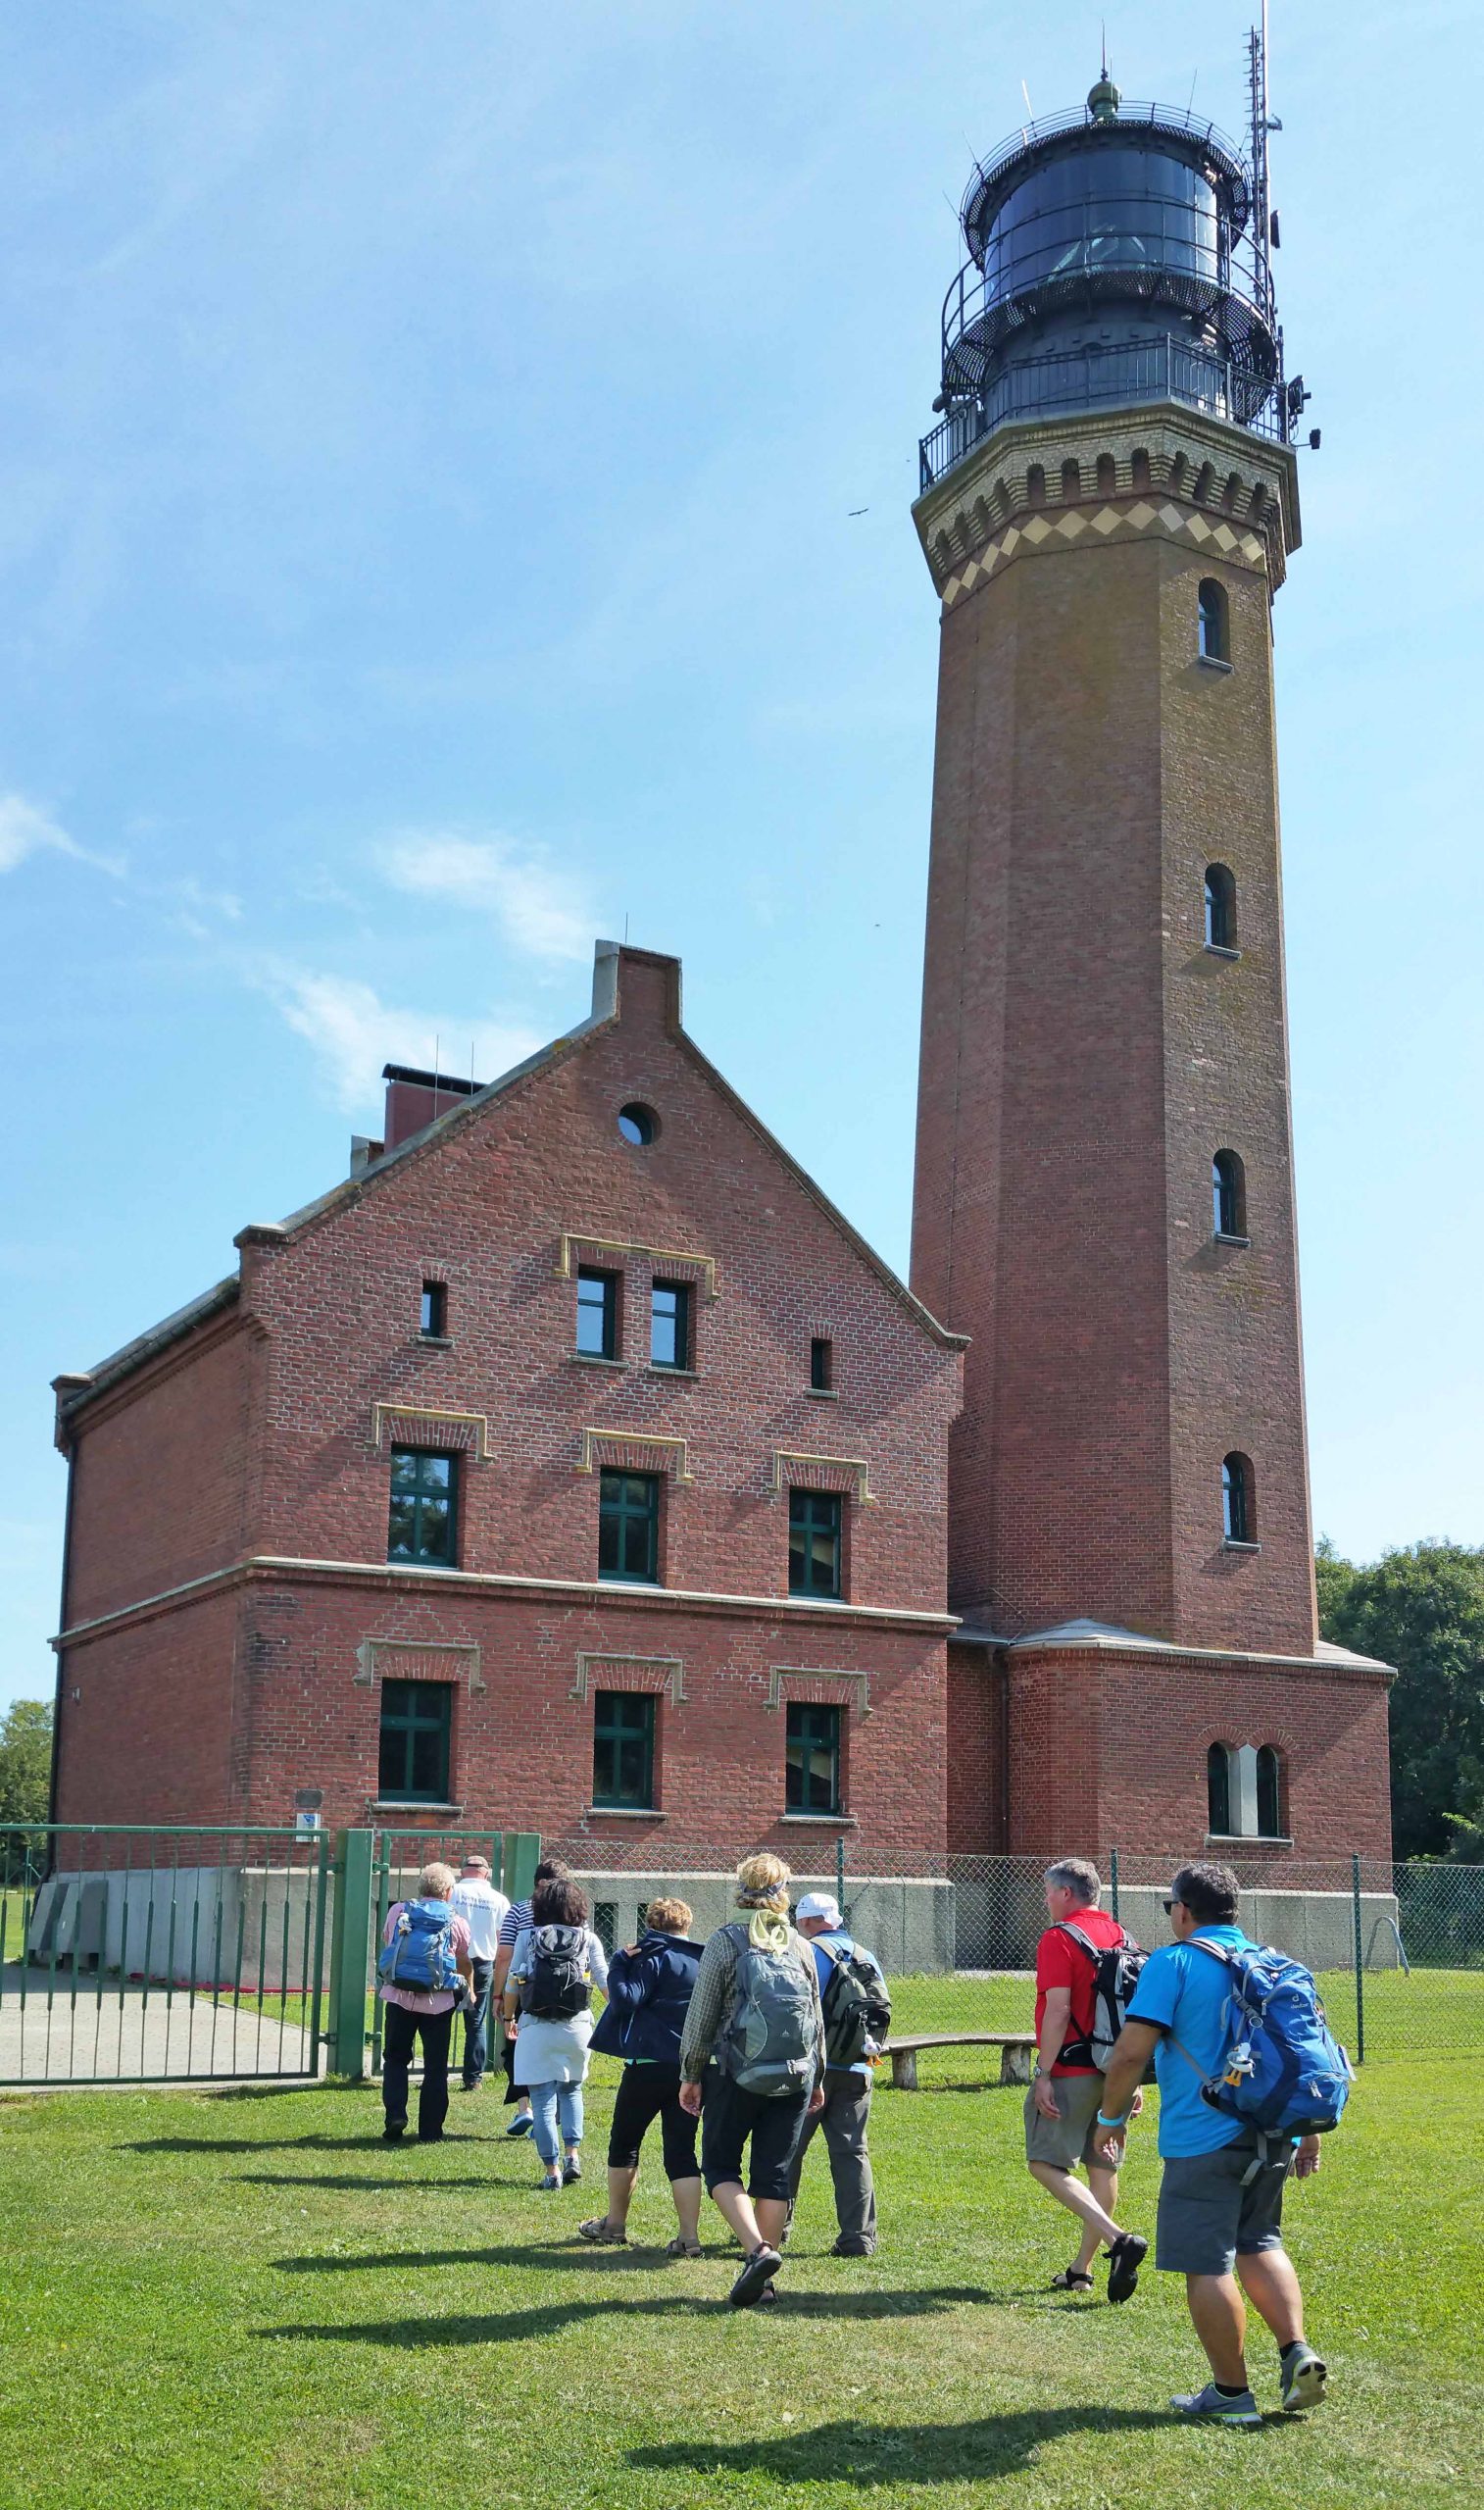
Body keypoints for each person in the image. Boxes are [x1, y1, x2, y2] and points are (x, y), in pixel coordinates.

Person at [1093, 1861, 1329, 2426]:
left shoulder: (1173, 1962)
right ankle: (1296, 2351)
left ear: (1182, 1910)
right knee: (1261, 2241)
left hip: (1203, 2138)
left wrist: (1110, 2117)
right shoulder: (1272, 1961)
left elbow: (1129, 2053)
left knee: (1207, 2263)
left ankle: (1230, 2394)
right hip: (1272, 2132)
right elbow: (1299, 2053)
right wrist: (1304, 2133)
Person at [678, 1852, 825, 2308]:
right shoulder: (800, 1945)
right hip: (795, 2076)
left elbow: (701, 2016)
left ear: (740, 1889)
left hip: (734, 2074)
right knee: (774, 2175)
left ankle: (758, 2252)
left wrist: (690, 2073)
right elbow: (816, 2020)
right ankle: (763, 2285)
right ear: (785, 1893)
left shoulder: (726, 1941)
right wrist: (817, 2076)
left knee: (721, 2166)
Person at [1025, 1857, 1147, 2299]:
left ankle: (1118, 2239)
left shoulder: (1058, 1938)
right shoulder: (1124, 1936)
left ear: (1065, 1893)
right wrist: (1132, 2077)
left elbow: (1058, 2010)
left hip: (1072, 2068)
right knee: (1102, 2164)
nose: (1046, 1901)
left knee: (1043, 2163)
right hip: (1117, 2070)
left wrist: (1044, 2073)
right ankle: (1082, 2270)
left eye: (1048, 1893)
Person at [578, 1895, 707, 2255]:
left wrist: (619, 1963)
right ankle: (689, 2237)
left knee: (625, 2143)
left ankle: (614, 2225)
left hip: (647, 2066)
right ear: (686, 1925)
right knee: (682, 2151)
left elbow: (625, 2000)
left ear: (651, 1925)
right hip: (690, 2069)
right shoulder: (701, 1960)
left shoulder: (651, 1957)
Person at [787, 1891, 887, 2257]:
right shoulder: (865, 1955)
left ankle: (773, 2228)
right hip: (859, 2065)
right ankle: (858, 2238)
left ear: (806, 1921)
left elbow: (796, 2008)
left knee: (787, 2149)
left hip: (814, 2067)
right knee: (852, 2153)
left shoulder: (808, 1951)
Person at [503, 1875, 609, 2190]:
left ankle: (552, 2171)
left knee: (542, 2100)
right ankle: (573, 2155)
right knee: (572, 2091)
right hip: (577, 2026)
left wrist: (508, 2016)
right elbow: (604, 1979)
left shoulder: (527, 1937)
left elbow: (513, 1982)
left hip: (535, 2026)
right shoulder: (588, 1939)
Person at [377, 1859, 473, 2144]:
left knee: (395, 2058)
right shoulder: (456, 1921)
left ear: (421, 1888)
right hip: (438, 2001)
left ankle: (395, 2114)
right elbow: (463, 1958)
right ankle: (431, 2131)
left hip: (399, 1996)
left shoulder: (399, 1911)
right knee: (436, 2066)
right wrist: (470, 1987)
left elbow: (389, 1942)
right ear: (448, 1892)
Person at [492, 1858, 573, 2138]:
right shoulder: (574, 1911)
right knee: (557, 2052)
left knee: (519, 2048)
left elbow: (504, 1957)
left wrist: (499, 1996)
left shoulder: (519, 1911)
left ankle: (525, 2108)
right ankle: (549, 2114)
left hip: (527, 1990)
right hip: (566, 1992)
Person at [449, 1852, 510, 2092]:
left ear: (462, 1871)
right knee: (475, 2022)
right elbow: (502, 1938)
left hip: (452, 1960)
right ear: (487, 1874)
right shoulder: (499, 1899)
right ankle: (473, 2078)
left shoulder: (452, 1891)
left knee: (438, 2018)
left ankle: (435, 2073)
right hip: (483, 1962)